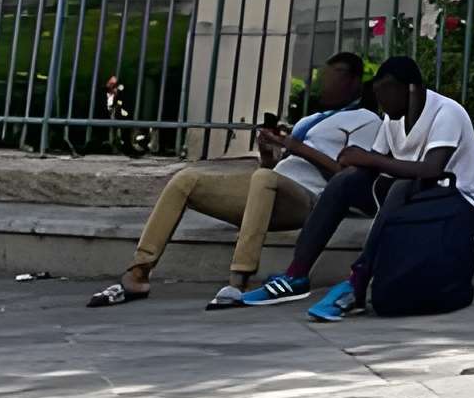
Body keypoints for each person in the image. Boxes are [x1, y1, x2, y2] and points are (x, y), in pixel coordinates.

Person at [87, 51, 376, 309]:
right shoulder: (309, 120)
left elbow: (347, 178)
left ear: (353, 82)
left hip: (308, 200)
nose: (323, 84)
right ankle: (139, 272)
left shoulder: (366, 120)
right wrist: (268, 150)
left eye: (331, 78)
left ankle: (238, 280)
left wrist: (298, 148)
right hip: (270, 187)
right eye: (322, 76)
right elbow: (274, 169)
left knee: (263, 179)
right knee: (186, 179)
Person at [238, 55, 474, 318]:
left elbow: (432, 169)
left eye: (386, 95)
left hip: (462, 202)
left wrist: (368, 157)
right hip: (420, 199)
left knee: (400, 187)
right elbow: (372, 166)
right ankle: (296, 275)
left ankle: (358, 281)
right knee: (345, 182)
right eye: (378, 95)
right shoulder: (393, 119)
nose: (380, 103)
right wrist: (352, 159)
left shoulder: (446, 112)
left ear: (411, 89)